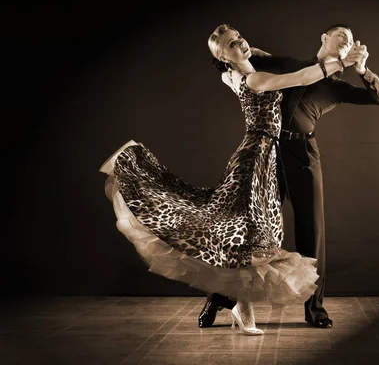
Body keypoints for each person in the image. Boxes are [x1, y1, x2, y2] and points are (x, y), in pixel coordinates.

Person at [98, 23, 361, 335]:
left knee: (247, 235)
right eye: (233, 44)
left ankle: (231, 303)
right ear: (224, 56)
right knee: (249, 236)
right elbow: (302, 77)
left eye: (241, 38)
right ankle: (232, 303)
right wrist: (342, 62)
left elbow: (246, 57)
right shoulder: (255, 78)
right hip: (257, 159)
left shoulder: (237, 72)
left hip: (267, 155)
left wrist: (245, 52)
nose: (242, 44)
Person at [199, 24, 379, 329]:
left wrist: (363, 69)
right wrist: (234, 59)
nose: (348, 41)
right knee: (253, 233)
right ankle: (222, 296)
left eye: (352, 40)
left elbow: (378, 98)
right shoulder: (289, 65)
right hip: (268, 152)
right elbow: (244, 56)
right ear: (324, 39)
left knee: (312, 233)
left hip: (303, 154)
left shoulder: (336, 86)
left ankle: (315, 309)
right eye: (341, 35)